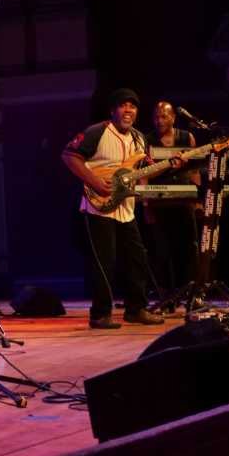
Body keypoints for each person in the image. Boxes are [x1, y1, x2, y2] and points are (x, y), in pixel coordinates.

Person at [62, 88, 164, 329]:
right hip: (98, 206)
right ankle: (100, 314)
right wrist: (95, 182)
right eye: (123, 105)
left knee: (137, 258)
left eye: (133, 106)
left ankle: (136, 309)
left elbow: (140, 171)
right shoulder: (97, 132)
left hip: (125, 208)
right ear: (112, 110)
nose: (128, 110)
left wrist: (168, 166)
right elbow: (69, 155)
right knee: (104, 262)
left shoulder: (140, 138)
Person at [144, 101, 201, 294]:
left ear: (173, 118)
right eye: (156, 117)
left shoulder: (186, 137)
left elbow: (194, 170)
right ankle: (166, 291)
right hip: (159, 200)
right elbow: (144, 174)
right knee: (162, 248)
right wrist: (146, 205)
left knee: (189, 245)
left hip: (185, 198)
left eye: (163, 116)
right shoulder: (147, 140)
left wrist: (198, 201)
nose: (159, 121)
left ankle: (192, 289)